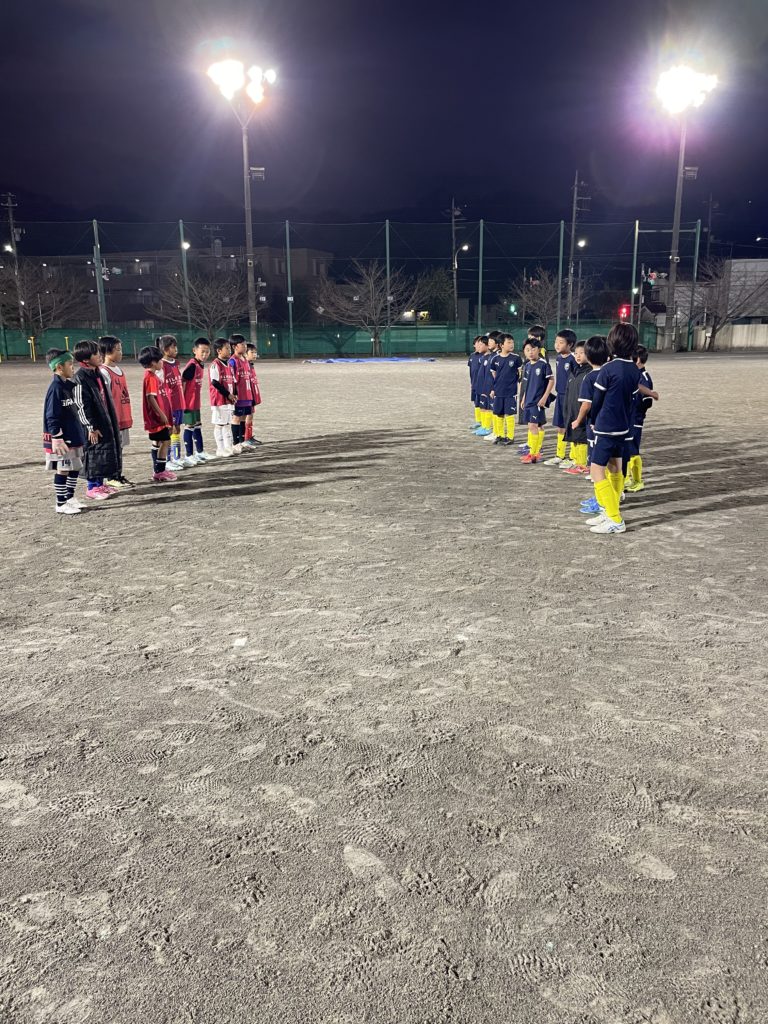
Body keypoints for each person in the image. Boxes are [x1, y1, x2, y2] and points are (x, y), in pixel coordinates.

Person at [584, 323, 658, 535]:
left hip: (606, 427)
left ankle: (615, 517)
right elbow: (634, 398)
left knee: (596, 471)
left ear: (612, 342)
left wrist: (593, 419)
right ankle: (609, 513)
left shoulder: (608, 369)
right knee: (616, 469)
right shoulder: (634, 370)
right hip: (624, 427)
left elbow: (597, 399)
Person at [72, 339, 122, 500]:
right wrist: (90, 427)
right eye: (95, 354)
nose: (100, 356)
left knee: (104, 453)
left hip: (104, 420)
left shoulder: (97, 373)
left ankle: (100, 484)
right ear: (86, 359)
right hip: (92, 426)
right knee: (93, 453)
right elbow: (81, 405)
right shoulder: (80, 378)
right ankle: (92, 487)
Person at [43, 349, 88, 513]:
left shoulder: (68, 386)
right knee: (63, 468)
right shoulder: (56, 388)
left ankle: (70, 497)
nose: (73, 367)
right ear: (59, 367)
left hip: (73, 435)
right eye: (70, 364)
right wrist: (56, 436)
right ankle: (60, 503)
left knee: (74, 467)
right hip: (63, 438)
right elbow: (51, 415)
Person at [576, 336, 611, 516]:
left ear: (588, 357)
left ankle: (602, 501)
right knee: (611, 465)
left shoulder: (590, 377)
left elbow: (586, 404)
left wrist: (578, 420)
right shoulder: (611, 372)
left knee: (597, 467)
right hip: (612, 424)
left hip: (595, 425)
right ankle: (610, 495)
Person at [98, 335, 134, 489]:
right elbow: (104, 398)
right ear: (107, 352)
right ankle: (111, 477)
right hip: (113, 418)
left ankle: (118, 475)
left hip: (122, 415)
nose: (121, 352)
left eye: (120, 349)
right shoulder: (103, 372)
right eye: (117, 350)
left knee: (120, 448)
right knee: (112, 449)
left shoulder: (119, 369)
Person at [139, 345, 176, 483]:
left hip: (157, 417)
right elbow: (151, 398)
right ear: (153, 362)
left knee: (158, 442)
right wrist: (162, 414)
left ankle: (157, 470)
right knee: (165, 441)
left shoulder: (153, 376)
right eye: (160, 360)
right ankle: (160, 471)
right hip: (156, 418)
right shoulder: (150, 377)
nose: (162, 362)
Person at [544, 329, 578, 466]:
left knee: (571, 426)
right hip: (560, 396)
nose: (557, 345)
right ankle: (560, 455)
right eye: (556, 342)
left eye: (561, 342)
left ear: (570, 345)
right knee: (560, 426)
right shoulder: (558, 358)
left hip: (571, 397)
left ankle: (574, 457)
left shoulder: (574, 359)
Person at [159, 335, 193, 470]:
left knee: (177, 429)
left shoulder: (175, 363)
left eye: (176, 346)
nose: (176, 349)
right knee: (169, 431)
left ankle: (177, 458)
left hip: (179, 403)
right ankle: (167, 460)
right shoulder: (161, 366)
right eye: (173, 347)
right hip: (169, 405)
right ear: (165, 349)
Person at [624, 345, 655, 493]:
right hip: (629, 418)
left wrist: (636, 411)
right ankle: (627, 478)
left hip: (635, 420)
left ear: (636, 360)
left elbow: (647, 401)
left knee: (633, 450)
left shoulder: (644, 377)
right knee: (626, 449)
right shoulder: (634, 375)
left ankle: (637, 480)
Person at [520, 339, 554, 464]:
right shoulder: (527, 366)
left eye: (533, 349)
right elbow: (527, 384)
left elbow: (551, 380)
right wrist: (524, 398)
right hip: (528, 400)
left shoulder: (543, 364)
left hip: (537, 401)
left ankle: (534, 454)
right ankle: (535, 451)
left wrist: (544, 397)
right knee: (538, 425)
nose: (530, 352)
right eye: (527, 350)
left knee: (532, 425)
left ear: (539, 350)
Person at [181, 337, 215, 463]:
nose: (205, 354)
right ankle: (189, 455)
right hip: (188, 403)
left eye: (207, 351)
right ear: (194, 350)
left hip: (195, 402)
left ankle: (200, 452)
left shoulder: (200, 364)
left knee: (197, 426)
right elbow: (182, 382)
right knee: (189, 427)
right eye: (202, 351)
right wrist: (182, 402)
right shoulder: (192, 366)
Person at [560, 340, 591, 474]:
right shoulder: (574, 371)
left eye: (582, 353)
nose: (578, 356)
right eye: (576, 353)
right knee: (574, 437)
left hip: (582, 411)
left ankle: (583, 464)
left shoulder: (589, 373)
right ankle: (578, 462)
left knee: (581, 437)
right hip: (571, 410)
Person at [487, 333, 522, 446]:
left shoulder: (516, 358)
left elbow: (520, 375)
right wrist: (494, 389)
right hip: (498, 391)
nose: (512, 344)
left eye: (512, 342)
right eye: (509, 342)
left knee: (509, 414)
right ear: (501, 345)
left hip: (511, 392)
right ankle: (500, 435)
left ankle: (510, 437)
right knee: (499, 414)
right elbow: (494, 375)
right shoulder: (495, 359)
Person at [209, 338, 237, 457]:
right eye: (227, 348)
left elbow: (233, 381)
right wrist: (228, 394)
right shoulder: (215, 364)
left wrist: (234, 394)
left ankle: (228, 447)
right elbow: (215, 382)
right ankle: (220, 449)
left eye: (230, 348)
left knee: (227, 424)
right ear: (219, 350)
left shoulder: (229, 364)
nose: (230, 350)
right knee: (219, 424)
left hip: (228, 400)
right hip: (219, 400)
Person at [228, 334, 254, 454]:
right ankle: (235, 443)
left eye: (245, 344)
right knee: (236, 418)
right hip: (238, 396)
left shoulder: (245, 360)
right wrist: (233, 394)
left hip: (247, 395)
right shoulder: (232, 361)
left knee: (243, 417)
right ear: (234, 346)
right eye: (242, 344)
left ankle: (242, 441)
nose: (245, 346)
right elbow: (231, 380)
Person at [475, 335, 495, 437]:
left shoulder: (492, 357)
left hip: (488, 387)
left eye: (481, 344)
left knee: (488, 407)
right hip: (482, 386)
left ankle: (488, 427)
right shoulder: (483, 358)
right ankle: (484, 425)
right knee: (483, 405)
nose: (478, 346)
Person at [244, 343, 263, 448]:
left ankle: (249, 436)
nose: (255, 354)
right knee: (247, 416)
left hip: (252, 395)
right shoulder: (244, 365)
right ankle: (246, 438)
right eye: (252, 352)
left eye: (255, 352)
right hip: (247, 396)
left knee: (250, 416)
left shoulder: (250, 364)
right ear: (245, 353)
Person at [467, 336, 488, 431]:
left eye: (480, 344)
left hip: (482, 384)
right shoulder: (472, 356)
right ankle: (478, 421)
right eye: (477, 344)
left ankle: (484, 424)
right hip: (474, 383)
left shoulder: (484, 357)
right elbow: (472, 370)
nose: (478, 346)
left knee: (483, 403)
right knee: (476, 402)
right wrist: (472, 382)